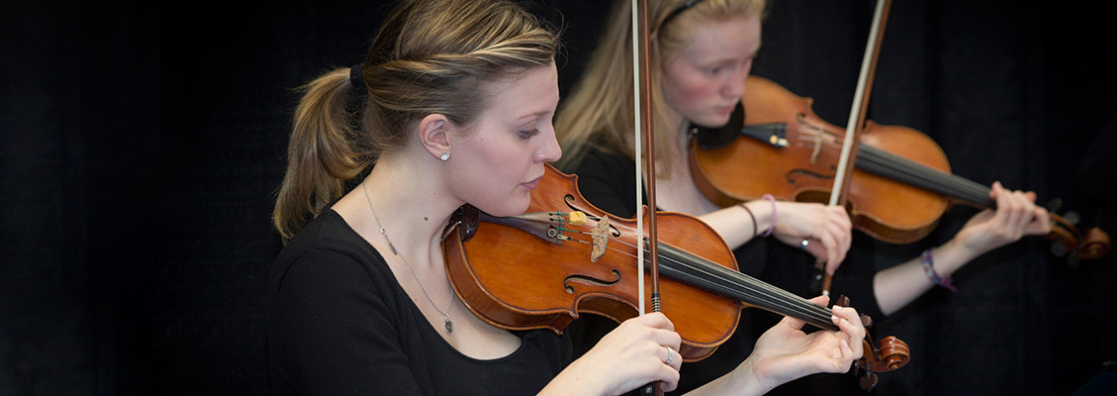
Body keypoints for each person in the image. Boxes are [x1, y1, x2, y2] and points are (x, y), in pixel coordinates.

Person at [266, 0, 868, 394]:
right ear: (438, 134)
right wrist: (582, 384)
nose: (553, 149)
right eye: (527, 129)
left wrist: (754, 375)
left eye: (549, 121)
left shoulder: (513, 250)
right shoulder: (329, 279)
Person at [552, 0, 1052, 391]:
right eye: (715, 70)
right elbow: (631, 249)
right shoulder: (593, 170)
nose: (739, 87)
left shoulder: (737, 157)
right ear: (648, 58)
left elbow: (834, 305)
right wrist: (764, 214)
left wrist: (959, 250)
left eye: (747, 61)